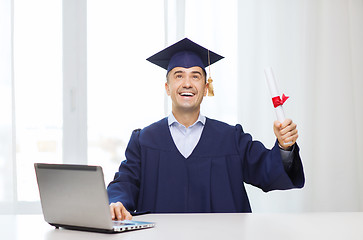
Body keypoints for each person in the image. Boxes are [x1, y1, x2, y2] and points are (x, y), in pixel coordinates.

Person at [107, 38, 305, 221]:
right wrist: (116, 203)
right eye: (179, 75)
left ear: (205, 86)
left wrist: (284, 146)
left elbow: (267, 170)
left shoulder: (231, 138)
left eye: (195, 76)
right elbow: (125, 182)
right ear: (167, 87)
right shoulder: (144, 140)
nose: (187, 83)